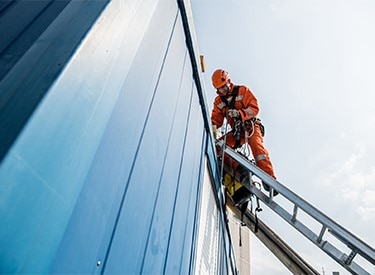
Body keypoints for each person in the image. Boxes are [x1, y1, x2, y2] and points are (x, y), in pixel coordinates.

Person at [210, 69, 277, 200]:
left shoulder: (242, 91)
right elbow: (216, 119)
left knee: (257, 148)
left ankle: (269, 179)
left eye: (224, 87)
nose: (222, 91)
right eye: (219, 90)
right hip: (237, 133)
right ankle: (239, 168)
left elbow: (254, 109)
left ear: (228, 82)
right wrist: (212, 126)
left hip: (250, 126)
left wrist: (240, 114)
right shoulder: (219, 102)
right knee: (219, 147)